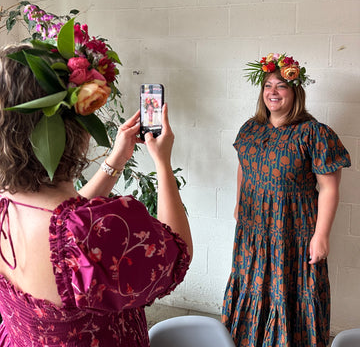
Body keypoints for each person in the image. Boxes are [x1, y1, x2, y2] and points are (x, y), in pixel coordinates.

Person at [0, 42, 192, 347]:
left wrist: (115, 160)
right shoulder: (94, 233)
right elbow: (178, 254)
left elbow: (64, 217)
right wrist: (163, 164)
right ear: (76, 126)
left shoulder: (7, 205)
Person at [222, 53, 351, 347]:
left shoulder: (314, 134)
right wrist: (239, 202)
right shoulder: (250, 129)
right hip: (253, 229)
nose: (273, 92)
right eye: (267, 86)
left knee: (290, 292)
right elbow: (243, 167)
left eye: (281, 86)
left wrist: (321, 235)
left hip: (294, 230)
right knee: (253, 286)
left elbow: (329, 188)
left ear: (295, 91)